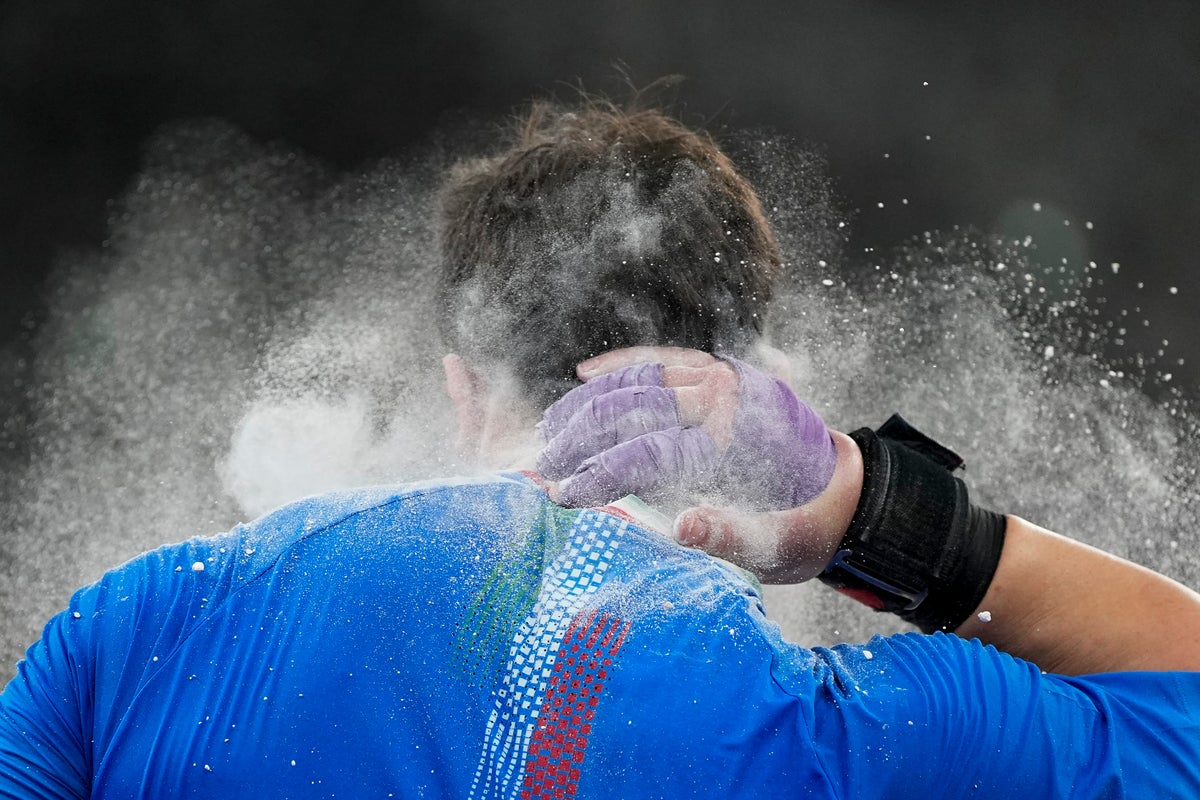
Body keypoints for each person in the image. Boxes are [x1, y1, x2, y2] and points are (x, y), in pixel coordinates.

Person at [1, 97, 1198, 798]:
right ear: (751, 390)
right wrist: (858, 500)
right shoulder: (818, 732)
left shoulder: (135, 631)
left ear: (464, 387)